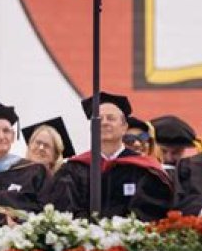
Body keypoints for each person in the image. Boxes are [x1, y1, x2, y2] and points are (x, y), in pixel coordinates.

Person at [46, 92, 173, 221]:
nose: (105, 123)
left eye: (111, 118)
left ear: (124, 127)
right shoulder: (73, 169)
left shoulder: (145, 170)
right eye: (99, 119)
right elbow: (64, 210)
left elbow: (150, 212)